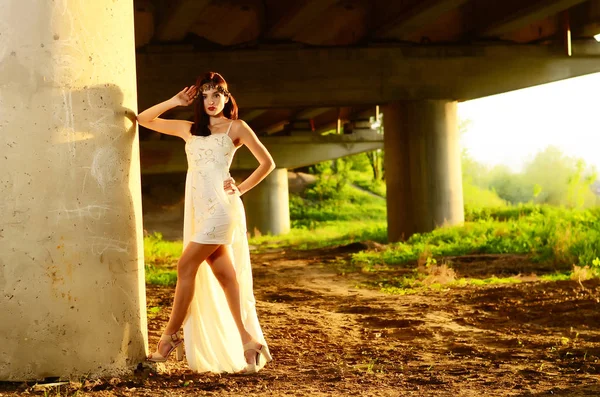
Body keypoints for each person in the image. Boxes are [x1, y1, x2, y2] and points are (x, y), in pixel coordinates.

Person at [137, 72, 274, 373]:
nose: (211, 101)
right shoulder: (190, 130)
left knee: (185, 266)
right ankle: (248, 341)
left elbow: (267, 163)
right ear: (199, 100)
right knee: (226, 276)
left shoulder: (236, 128)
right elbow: (143, 118)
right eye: (205, 96)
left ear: (227, 97)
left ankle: (170, 337)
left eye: (217, 94)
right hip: (200, 211)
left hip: (223, 210)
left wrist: (241, 187)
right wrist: (174, 101)